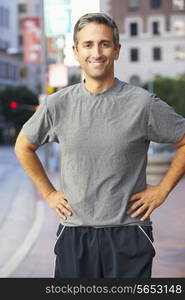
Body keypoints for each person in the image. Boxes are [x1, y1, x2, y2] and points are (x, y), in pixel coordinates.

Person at [14, 13, 185, 278]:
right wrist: (48, 193)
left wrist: (162, 190)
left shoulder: (142, 103)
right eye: (88, 44)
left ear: (117, 50)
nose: (97, 52)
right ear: (75, 51)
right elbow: (23, 146)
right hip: (74, 234)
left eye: (105, 44)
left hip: (129, 233)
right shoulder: (57, 104)